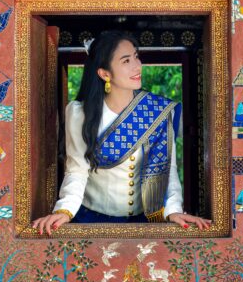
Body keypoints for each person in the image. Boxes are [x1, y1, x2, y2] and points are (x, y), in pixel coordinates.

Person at [32, 31, 210, 233]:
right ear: (104, 74)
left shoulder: (158, 112)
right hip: (92, 219)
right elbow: (77, 170)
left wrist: (173, 210)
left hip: (144, 221)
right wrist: (64, 210)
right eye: (126, 61)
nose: (137, 66)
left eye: (136, 56)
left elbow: (167, 170)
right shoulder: (79, 113)